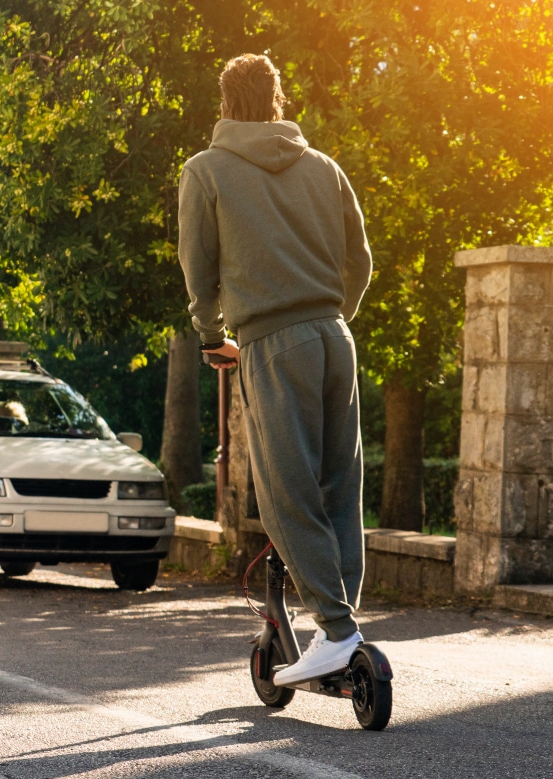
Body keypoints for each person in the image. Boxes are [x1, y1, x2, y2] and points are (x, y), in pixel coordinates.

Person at [177, 53, 373, 686]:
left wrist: (212, 337)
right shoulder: (325, 167)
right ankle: (336, 625)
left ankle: (339, 633)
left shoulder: (206, 171)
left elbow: (198, 268)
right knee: (340, 484)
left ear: (226, 103)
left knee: (286, 494)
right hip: (335, 337)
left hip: (269, 341)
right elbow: (361, 259)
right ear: (278, 99)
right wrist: (329, 318)